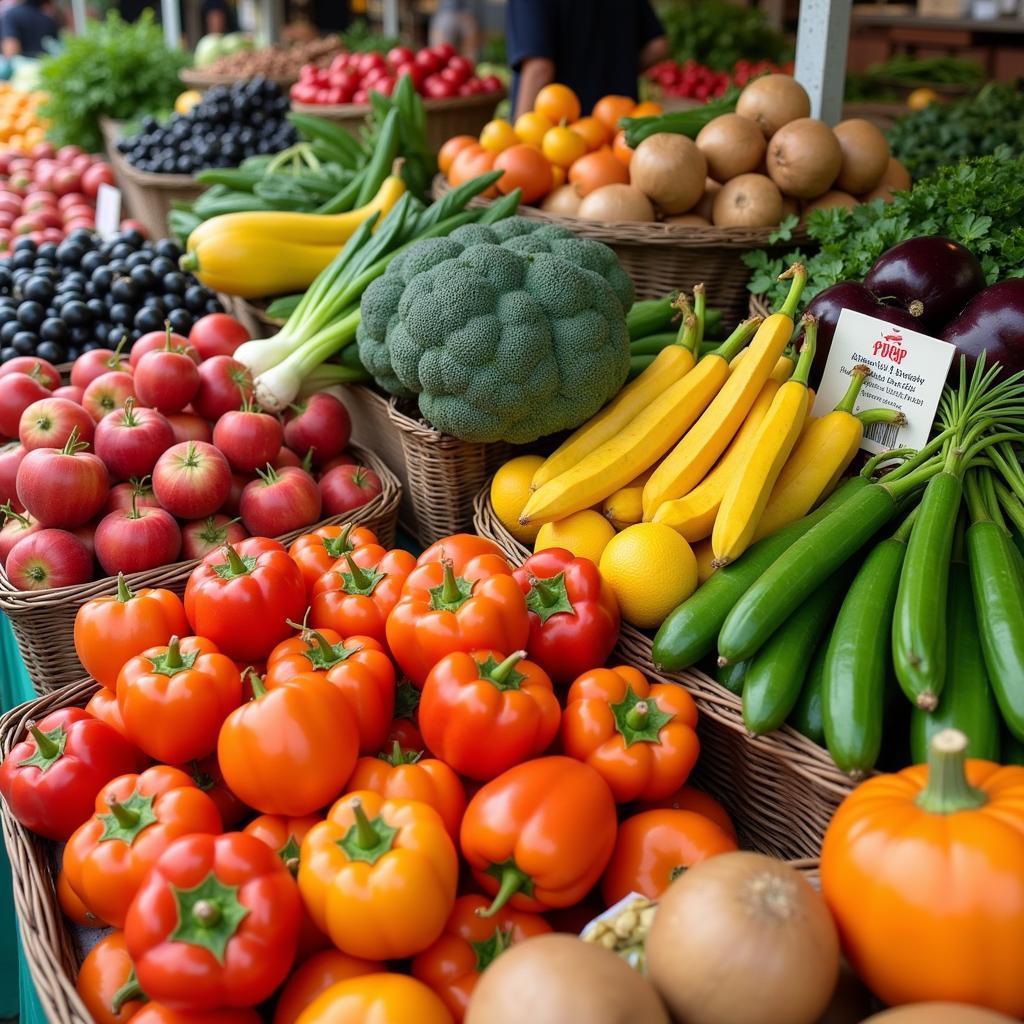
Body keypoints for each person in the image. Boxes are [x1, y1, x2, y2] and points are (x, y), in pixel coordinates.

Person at [507, 0, 668, 118]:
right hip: (624, 132)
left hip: (565, 141)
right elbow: (658, 46)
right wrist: (620, 69)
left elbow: (539, 69)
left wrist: (517, 143)